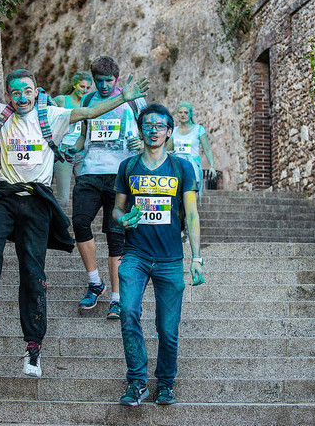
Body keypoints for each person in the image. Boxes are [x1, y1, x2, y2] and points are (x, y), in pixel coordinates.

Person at [0, 31, 149, 378]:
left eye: (28, 90)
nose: (22, 96)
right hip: (6, 196)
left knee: (33, 272)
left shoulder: (54, 116)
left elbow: (90, 109)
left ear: (36, 90)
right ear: (9, 95)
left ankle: (33, 350)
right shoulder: (2, 113)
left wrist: (124, 98)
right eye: (16, 92)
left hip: (38, 202)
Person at [112, 103, 204, 406]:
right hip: (135, 254)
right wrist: (121, 219)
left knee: (167, 327)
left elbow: (191, 214)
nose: (154, 129)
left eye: (160, 125)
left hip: (169, 259)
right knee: (128, 313)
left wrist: (197, 258)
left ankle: (165, 383)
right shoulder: (128, 166)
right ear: (141, 129)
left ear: (169, 131)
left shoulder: (181, 168)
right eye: (148, 124)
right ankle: (136, 381)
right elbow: (117, 208)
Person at [68, 55, 146, 320]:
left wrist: (142, 145)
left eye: (108, 81)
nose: (103, 86)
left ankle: (116, 298)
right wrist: (71, 149)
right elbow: (82, 137)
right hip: (90, 173)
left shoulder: (132, 99)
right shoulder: (89, 101)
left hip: (121, 176)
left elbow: (152, 129)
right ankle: (94, 282)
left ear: (117, 78)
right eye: (98, 81)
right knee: (79, 222)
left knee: (116, 237)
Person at [53, 71, 93, 209]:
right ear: (74, 85)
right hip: (64, 152)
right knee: (63, 199)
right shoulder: (62, 100)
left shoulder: (90, 103)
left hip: (82, 153)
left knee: (84, 195)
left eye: (88, 88)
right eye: (82, 87)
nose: (85, 90)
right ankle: (55, 227)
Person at [167, 102, 216, 200]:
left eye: (186, 112)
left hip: (193, 167)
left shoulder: (198, 129)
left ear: (190, 114)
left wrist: (212, 166)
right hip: (178, 167)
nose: (183, 115)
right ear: (177, 114)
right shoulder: (174, 131)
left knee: (191, 197)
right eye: (180, 112)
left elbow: (207, 149)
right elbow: (168, 151)